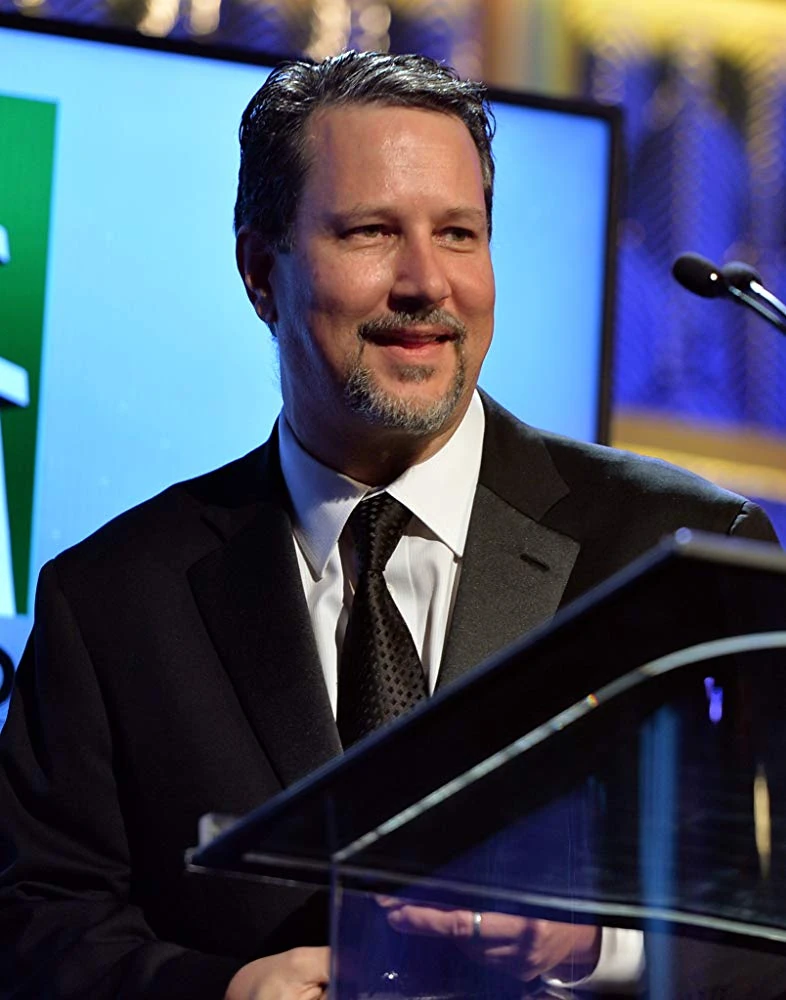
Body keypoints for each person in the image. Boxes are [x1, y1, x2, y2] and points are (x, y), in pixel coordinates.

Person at [0, 50, 782, 1000]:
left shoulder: (678, 555)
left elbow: (766, 913)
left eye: (459, 234)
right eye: (371, 231)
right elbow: (39, 922)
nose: (426, 282)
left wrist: (594, 944)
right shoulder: (112, 600)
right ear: (261, 271)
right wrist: (221, 991)